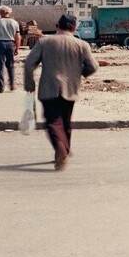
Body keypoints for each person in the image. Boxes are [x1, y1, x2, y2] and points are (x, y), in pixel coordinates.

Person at [23, 14, 98, 171]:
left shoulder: (45, 41)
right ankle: (65, 150)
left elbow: (30, 63)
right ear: (74, 28)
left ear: (57, 25)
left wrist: (30, 83)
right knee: (66, 122)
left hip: (49, 87)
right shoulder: (82, 44)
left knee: (53, 122)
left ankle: (61, 150)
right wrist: (79, 73)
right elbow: (93, 67)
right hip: (71, 88)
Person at [0, 5, 21, 93]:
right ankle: (12, 85)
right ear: (9, 12)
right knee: (10, 65)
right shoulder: (15, 22)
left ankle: (1, 87)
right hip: (11, 44)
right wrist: (17, 48)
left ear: (1, 13)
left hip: (0, 43)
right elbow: (17, 37)